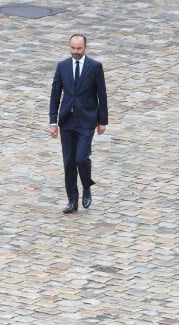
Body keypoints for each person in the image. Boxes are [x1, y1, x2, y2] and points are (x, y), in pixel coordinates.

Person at [49, 33, 108, 213]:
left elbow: (102, 95)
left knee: (81, 158)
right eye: (73, 48)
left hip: (86, 120)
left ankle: (86, 186)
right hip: (67, 120)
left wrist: (102, 121)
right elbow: (55, 94)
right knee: (68, 162)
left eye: (79, 49)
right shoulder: (62, 66)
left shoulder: (95, 67)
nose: (75, 52)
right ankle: (72, 200)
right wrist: (53, 121)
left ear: (85, 48)